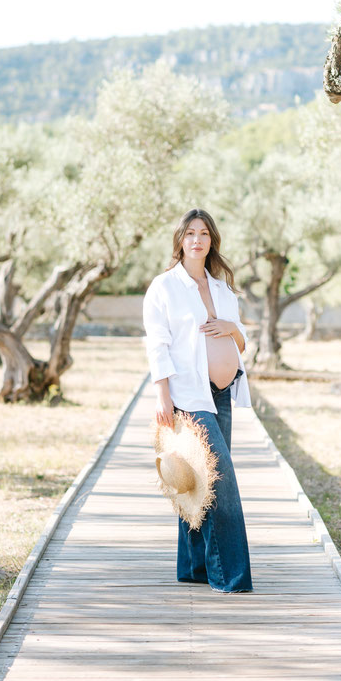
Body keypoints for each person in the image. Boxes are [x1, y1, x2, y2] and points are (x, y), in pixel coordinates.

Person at [142, 208, 253, 593]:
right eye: (190, 233)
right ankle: (231, 576)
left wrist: (232, 329)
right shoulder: (165, 287)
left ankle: (193, 568)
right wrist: (163, 396)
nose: (197, 240)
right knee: (221, 481)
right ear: (180, 240)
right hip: (189, 396)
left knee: (197, 483)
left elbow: (242, 343)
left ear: (211, 241)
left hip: (221, 394)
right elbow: (157, 344)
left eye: (204, 233)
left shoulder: (222, 288)